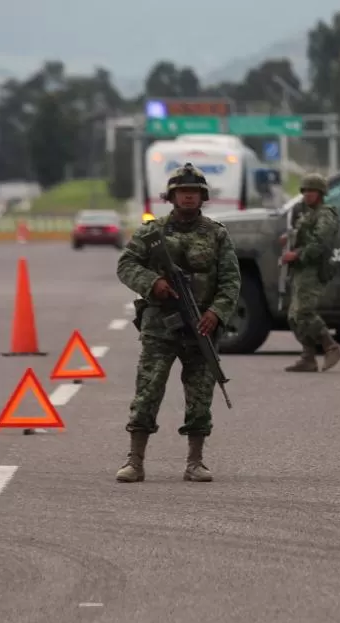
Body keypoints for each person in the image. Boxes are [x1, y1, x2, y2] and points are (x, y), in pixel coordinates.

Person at [115, 163, 241, 483]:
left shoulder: (217, 234)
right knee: (148, 391)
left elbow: (231, 281)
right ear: (171, 196)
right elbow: (126, 265)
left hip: (202, 326)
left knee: (200, 394)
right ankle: (135, 460)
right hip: (160, 325)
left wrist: (216, 313)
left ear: (203, 197)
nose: (188, 197)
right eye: (183, 192)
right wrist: (152, 283)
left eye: (194, 193)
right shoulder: (151, 232)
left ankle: (195, 462)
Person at [282, 173, 340, 373]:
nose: (308, 195)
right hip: (301, 270)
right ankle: (308, 357)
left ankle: (331, 346)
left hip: (313, 269)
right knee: (295, 316)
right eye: (305, 191)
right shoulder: (307, 214)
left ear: (321, 193)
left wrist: (297, 254)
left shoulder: (325, 214)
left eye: (312, 191)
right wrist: (290, 238)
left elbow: (320, 242)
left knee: (304, 312)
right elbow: (304, 234)